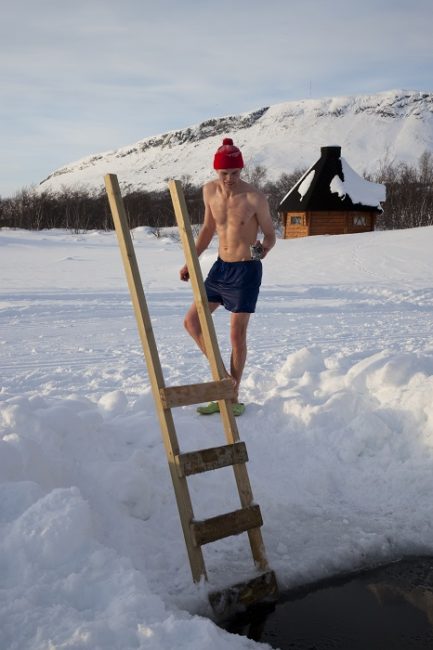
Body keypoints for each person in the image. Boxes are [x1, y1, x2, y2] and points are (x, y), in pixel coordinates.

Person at [179, 137, 276, 416]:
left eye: (235, 173)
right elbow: (209, 229)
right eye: (225, 173)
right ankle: (224, 381)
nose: (230, 178)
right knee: (192, 321)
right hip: (221, 268)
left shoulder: (255, 198)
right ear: (216, 171)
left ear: (241, 170)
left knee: (236, 335)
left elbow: (270, 235)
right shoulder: (209, 191)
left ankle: (232, 398)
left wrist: (264, 249)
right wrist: (191, 260)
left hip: (246, 270)